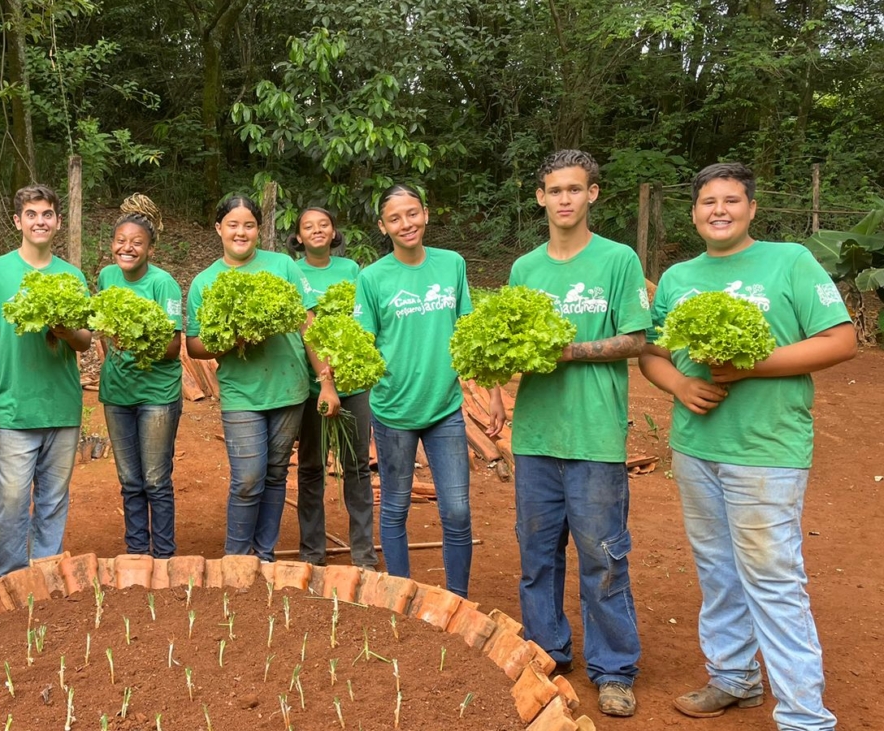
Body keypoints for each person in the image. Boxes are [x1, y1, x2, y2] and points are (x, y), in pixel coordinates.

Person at [639, 162, 854, 730]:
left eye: (731, 200)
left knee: (773, 577)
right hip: (695, 445)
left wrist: (748, 367)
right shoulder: (680, 278)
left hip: (767, 448)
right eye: (708, 201)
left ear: (751, 209)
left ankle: (805, 716)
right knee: (716, 570)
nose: (719, 210)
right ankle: (734, 677)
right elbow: (653, 354)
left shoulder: (790, 261)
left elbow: (841, 339)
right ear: (693, 214)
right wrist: (681, 384)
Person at [507, 150, 650, 717]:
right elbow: (510, 344)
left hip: (594, 436)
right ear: (540, 197)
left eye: (575, 189)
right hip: (535, 434)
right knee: (537, 556)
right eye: (554, 190)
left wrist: (570, 351)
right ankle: (548, 653)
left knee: (603, 557)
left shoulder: (618, 260)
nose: (564, 199)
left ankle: (613, 668)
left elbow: (635, 339)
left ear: (593, 194)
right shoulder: (525, 269)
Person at [356, 184, 503, 597]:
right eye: (395, 218)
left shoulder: (452, 264)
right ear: (383, 227)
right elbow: (362, 344)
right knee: (396, 506)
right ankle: (400, 595)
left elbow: (471, 333)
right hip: (392, 411)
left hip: (445, 408)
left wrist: (492, 393)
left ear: (426, 213)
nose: (407, 224)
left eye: (413, 213)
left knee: (456, 510)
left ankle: (457, 598)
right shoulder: (372, 278)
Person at [186, 195, 339, 561]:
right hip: (242, 393)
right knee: (248, 479)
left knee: (274, 475)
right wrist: (231, 338)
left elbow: (308, 325)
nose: (241, 232)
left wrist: (326, 380)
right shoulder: (204, 282)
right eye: (233, 224)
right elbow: (193, 346)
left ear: (259, 229)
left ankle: (264, 556)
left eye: (249, 225)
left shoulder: (283, 266)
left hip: (289, 389)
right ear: (219, 228)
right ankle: (237, 558)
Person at [0, 185, 92, 578]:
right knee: (13, 502)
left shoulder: (71, 276)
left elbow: (86, 340)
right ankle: (8, 579)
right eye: (32, 214)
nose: (41, 221)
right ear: (18, 220)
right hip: (12, 408)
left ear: (57, 221)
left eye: (48, 214)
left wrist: (65, 329)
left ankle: (45, 575)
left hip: (61, 406)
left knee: (53, 501)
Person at [289, 207, 378, 570]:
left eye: (323, 224)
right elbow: (299, 325)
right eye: (308, 226)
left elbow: (361, 321)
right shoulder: (292, 272)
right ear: (297, 237)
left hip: (352, 382)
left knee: (356, 466)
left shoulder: (352, 270)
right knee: (311, 467)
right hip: (310, 387)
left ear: (334, 231)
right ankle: (312, 553)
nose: (316, 230)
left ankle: (363, 554)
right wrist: (323, 375)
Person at [96, 195, 184, 557]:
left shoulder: (165, 285)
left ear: (149, 248)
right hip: (117, 394)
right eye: (120, 241)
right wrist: (112, 353)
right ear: (112, 243)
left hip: (157, 396)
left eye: (136, 242)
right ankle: (136, 552)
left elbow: (172, 347)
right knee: (129, 480)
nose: (127, 247)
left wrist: (132, 338)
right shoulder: (105, 276)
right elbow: (102, 329)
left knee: (155, 479)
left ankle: (163, 555)